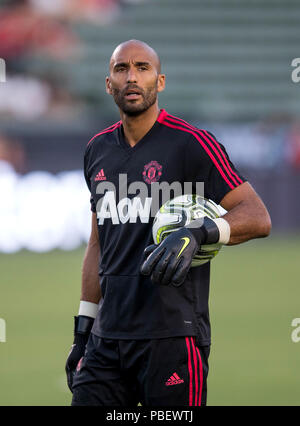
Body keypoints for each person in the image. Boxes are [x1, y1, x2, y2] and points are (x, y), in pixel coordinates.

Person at [65, 39, 271, 406]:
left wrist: (199, 232)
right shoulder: (96, 150)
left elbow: (257, 217)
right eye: (121, 69)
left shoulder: (192, 144)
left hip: (173, 337)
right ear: (108, 83)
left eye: (143, 68)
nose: (132, 77)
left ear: (159, 82)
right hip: (106, 340)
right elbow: (97, 245)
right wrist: (82, 331)